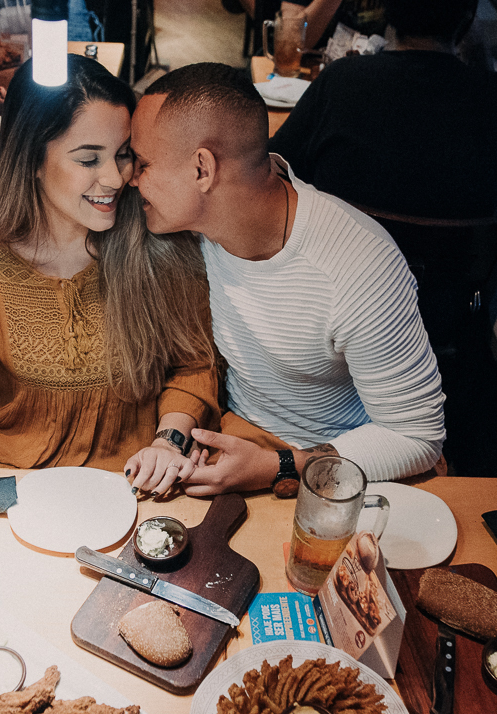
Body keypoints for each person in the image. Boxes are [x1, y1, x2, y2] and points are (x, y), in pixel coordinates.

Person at [0, 55, 219, 500]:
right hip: (13, 487)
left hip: (132, 490)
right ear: (31, 159)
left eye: (124, 155)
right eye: (88, 159)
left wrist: (169, 442)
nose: (115, 177)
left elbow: (193, 368)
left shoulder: (162, 249)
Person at [126, 62, 445, 496]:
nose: (129, 178)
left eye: (142, 163)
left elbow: (417, 438)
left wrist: (278, 466)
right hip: (234, 435)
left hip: (343, 459)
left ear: (202, 169)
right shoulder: (190, 230)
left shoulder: (359, 265)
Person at [268, 0, 497, 219]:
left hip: (339, 266)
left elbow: (274, 162)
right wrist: (479, 50)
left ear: (388, 13)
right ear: (468, 20)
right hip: (449, 273)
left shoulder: (343, 79)